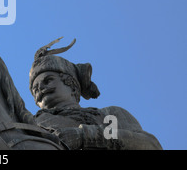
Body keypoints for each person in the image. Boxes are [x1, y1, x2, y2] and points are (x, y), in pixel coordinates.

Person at [29, 37, 163, 150]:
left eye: (48, 80)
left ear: (72, 85)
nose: (40, 88)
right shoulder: (31, 124)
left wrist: (84, 136)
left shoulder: (110, 114)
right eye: (35, 89)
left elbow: (151, 145)